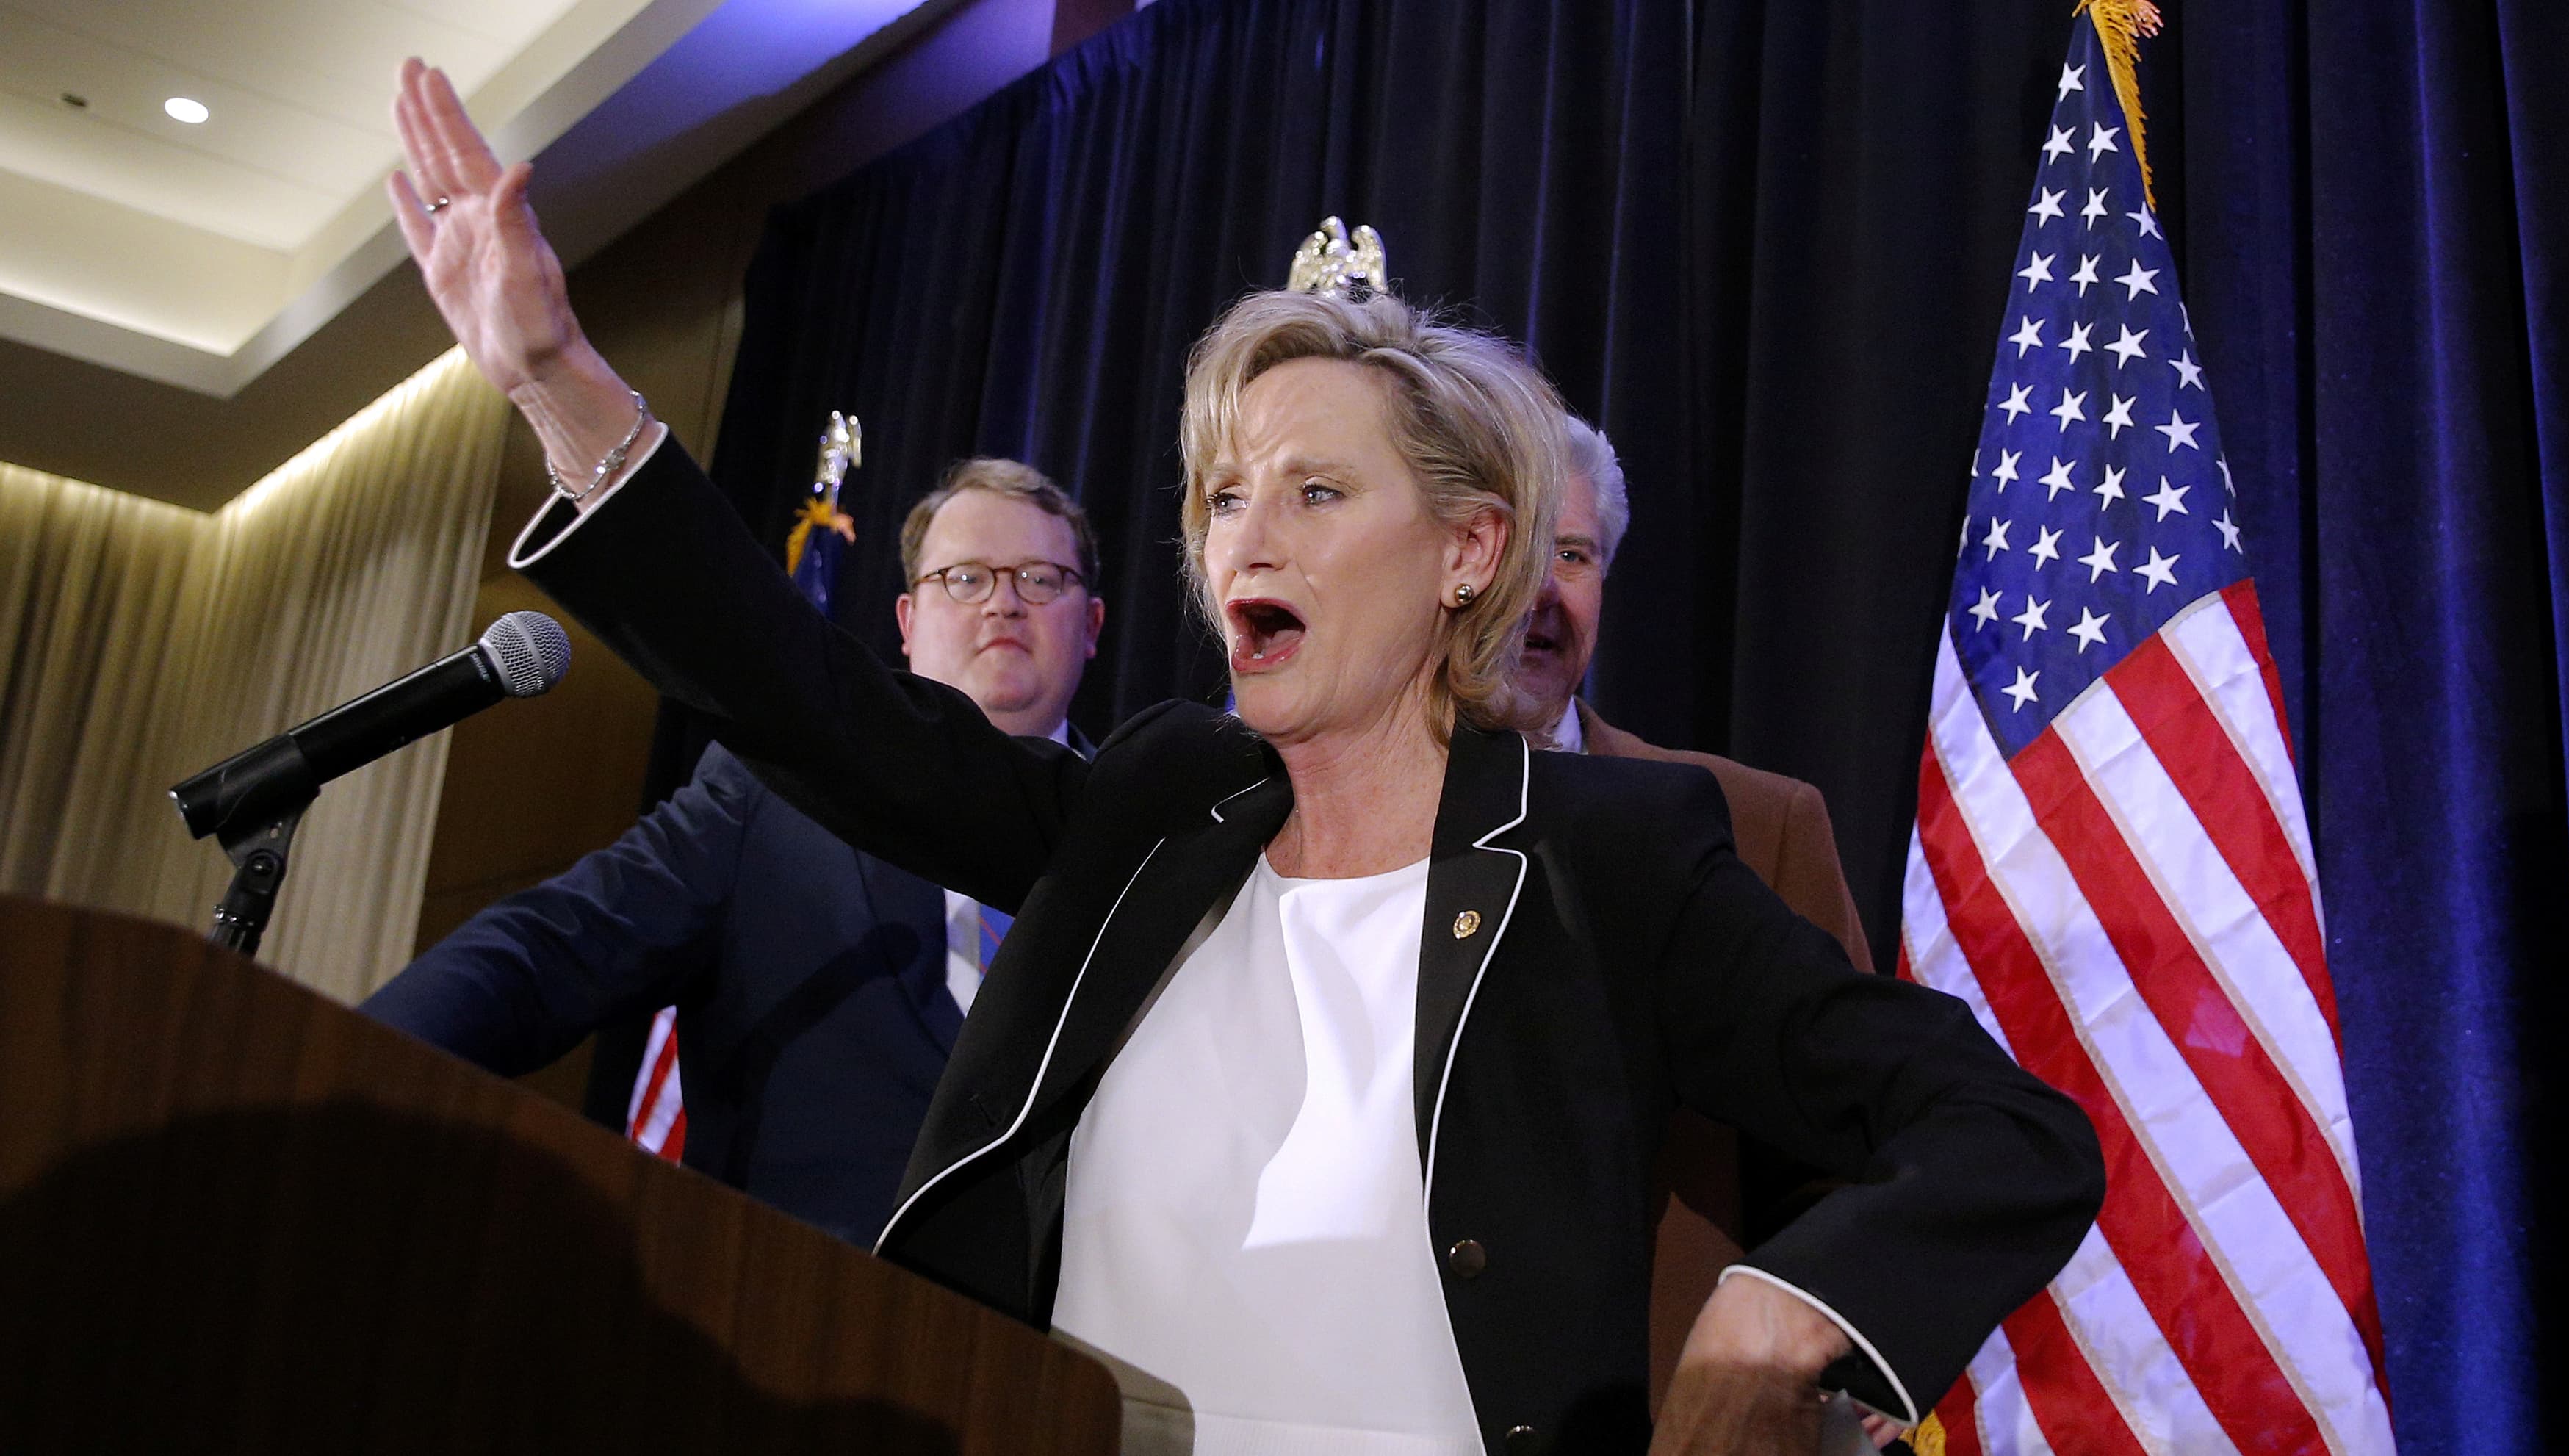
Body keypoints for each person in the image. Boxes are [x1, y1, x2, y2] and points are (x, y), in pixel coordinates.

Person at [385, 57, 2101, 1455]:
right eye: (1220, 496)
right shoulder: (1148, 817)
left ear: (1465, 550)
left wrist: (1785, 1304)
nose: (1244, 538)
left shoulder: (1609, 853)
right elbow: (813, 708)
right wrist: (557, 380)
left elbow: (2000, 1128)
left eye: (1313, 492)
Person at [360, 458, 1105, 1247]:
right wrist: (352, 1067)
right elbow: (556, 942)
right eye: (963, 578)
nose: (1002, 602)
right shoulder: (768, 800)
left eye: (1039, 578)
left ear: (1090, 624)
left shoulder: (1155, 848)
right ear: (907, 618)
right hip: (782, 1315)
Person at [1510, 419, 1881, 1406]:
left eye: (1576, 553)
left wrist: (1813, 1352)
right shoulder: (1312, 828)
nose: (1545, 589)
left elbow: (1862, 1152)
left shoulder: (1754, 826)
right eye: (1513, 543)